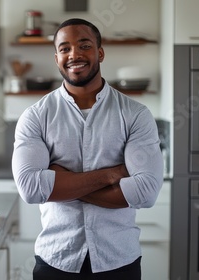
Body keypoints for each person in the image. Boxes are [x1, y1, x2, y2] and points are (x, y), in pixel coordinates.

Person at [11, 18, 164, 280]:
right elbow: (31, 189)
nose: (74, 55)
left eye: (84, 45)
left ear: (100, 52)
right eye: (64, 48)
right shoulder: (35, 116)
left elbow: (146, 192)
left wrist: (61, 182)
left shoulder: (135, 115)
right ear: (56, 57)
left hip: (119, 261)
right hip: (56, 260)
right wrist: (112, 174)